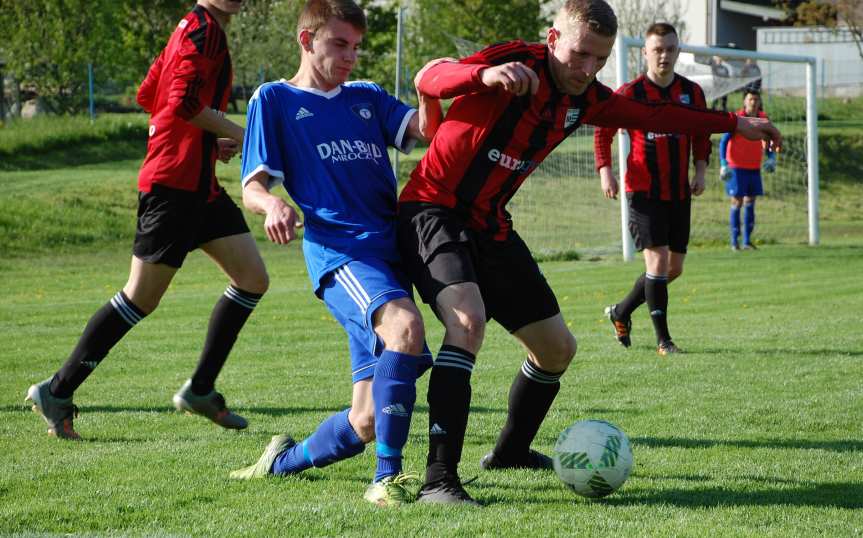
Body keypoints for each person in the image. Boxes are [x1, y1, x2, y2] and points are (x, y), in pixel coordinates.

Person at [398, 0, 782, 505]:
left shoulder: (586, 98)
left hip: (489, 225)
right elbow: (431, 79)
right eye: (580, 54)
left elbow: (655, 112)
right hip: (431, 210)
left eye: (598, 60)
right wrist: (486, 74)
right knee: (467, 323)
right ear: (553, 39)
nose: (587, 70)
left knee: (558, 349)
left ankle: (510, 451)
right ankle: (438, 480)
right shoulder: (516, 62)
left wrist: (735, 124)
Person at [227, 0, 442, 507]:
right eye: (339, 44)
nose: (351, 56)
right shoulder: (274, 100)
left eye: (356, 46)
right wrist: (270, 205)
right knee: (406, 329)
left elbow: (426, 130)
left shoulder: (366, 96)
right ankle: (388, 480)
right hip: (340, 253)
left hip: (391, 255)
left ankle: (281, 462)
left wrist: (430, 88)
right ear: (307, 40)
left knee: (365, 421)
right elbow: (252, 185)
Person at [25, 0, 267, 440]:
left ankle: (201, 390)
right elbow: (184, 104)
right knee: (140, 298)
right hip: (174, 187)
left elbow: (147, 94)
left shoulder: (194, 28)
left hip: (198, 185)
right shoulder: (203, 30)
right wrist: (243, 134)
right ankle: (57, 391)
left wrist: (207, 143)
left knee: (252, 278)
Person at [595, 22, 708, 355]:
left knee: (673, 269)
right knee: (657, 266)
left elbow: (702, 134)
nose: (664, 56)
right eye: (657, 49)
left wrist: (700, 171)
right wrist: (606, 172)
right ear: (645, 52)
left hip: (678, 192)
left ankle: (621, 311)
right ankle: (664, 341)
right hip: (643, 192)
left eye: (670, 49)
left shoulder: (692, 92)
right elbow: (603, 131)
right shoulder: (631, 93)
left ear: (678, 51)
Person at [720, 89, 775, 250]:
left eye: (756, 99)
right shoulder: (737, 119)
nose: (753, 102)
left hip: (754, 167)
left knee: (751, 201)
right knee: (737, 201)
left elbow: (770, 140)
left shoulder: (764, 119)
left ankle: (746, 241)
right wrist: (724, 164)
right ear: (744, 101)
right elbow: (724, 141)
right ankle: (734, 241)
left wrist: (771, 158)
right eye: (750, 99)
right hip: (736, 167)